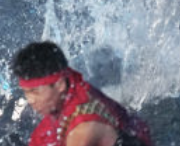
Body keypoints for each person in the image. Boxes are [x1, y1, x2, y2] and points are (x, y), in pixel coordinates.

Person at [12, 41, 153, 146]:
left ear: (60, 85)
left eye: (35, 92)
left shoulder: (82, 129)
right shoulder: (72, 85)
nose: (30, 100)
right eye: (26, 92)